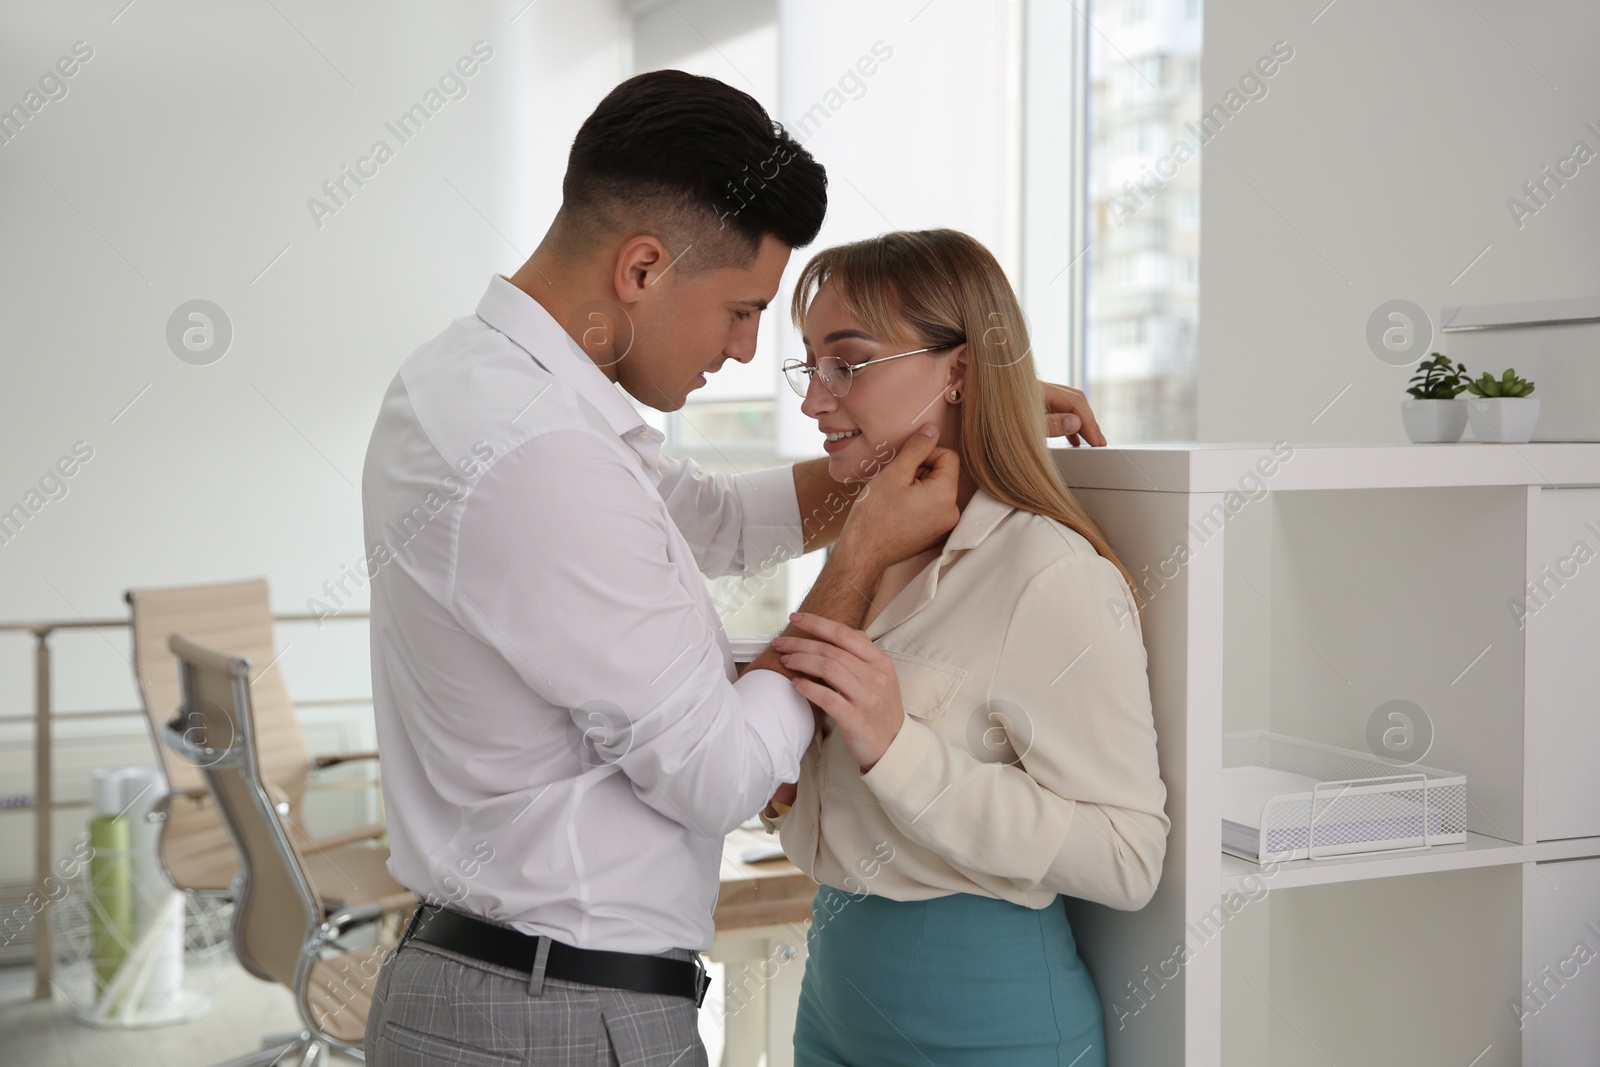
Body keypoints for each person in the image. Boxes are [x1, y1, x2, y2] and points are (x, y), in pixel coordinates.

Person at [360, 72, 1103, 1067]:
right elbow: (717, 772)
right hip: (555, 1013)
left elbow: (709, 518)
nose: (745, 347)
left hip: (507, 987)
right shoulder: (538, 454)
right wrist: (861, 553)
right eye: (741, 309)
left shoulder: (470, 385)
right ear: (642, 267)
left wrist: (928, 427)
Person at [760, 229, 1170, 1067]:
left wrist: (896, 749)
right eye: (810, 366)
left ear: (956, 370)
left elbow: (1131, 857)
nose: (813, 400)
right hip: (832, 998)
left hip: (986, 1024)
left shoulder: (1048, 574)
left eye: (849, 363)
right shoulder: (869, 551)